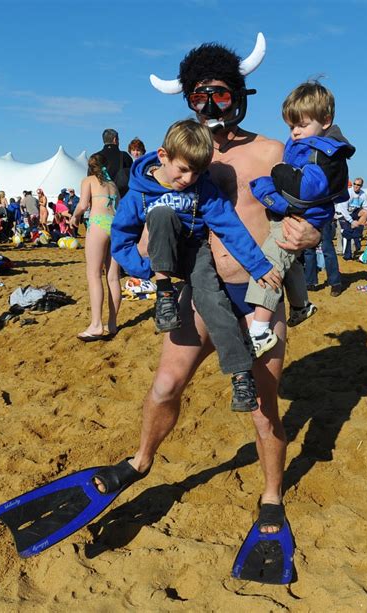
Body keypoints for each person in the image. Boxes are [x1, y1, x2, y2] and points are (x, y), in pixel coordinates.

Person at [92, 39, 320, 535]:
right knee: (166, 384)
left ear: (237, 93)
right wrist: (147, 251)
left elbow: (309, 214)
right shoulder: (183, 155)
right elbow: (144, 216)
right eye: (199, 96)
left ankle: (271, 494)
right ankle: (141, 460)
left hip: (259, 294)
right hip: (200, 289)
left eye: (218, 94)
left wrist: (312, 232)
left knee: (264, 407)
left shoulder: (271, 151)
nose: (209, 106)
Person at [112, 119, 281, 411]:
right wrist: (144, 269)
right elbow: (121, 238)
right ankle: (165, 295)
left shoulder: (202, 187)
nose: (189, 178)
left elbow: (229, 226)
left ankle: (240, 375)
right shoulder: (139, 192)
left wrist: (258, 266)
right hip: (162, 258)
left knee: (214, 303)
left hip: (196, 254)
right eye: (183, 169)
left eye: (197, 172)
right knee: (162, 214)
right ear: (163, 156)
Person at [246, 80, 354, 335]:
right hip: (297, 213)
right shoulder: (306, 144)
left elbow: (306, 189)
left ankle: (259, 328)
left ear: (325, 120)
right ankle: (300, 305)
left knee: (271, 262)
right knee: (291, 263)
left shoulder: (325, 153)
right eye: (292, 125)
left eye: (302, 125)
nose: (294, 132)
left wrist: (277, 176)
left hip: (303, 216)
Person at [70, 154, 121, 341]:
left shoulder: (88, 180)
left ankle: (97, 324)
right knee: (113, 278)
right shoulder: (113, 185)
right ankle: (113, 323)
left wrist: (74, 216)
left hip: (98, 224)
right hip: (115, 226)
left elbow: (83, 205)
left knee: (93, 274)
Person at [94, 129, 133, 197]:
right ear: (115, 140)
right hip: (121, 198)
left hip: (100, 198)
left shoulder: (95, 157)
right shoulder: (124, 156)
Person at [337, 177, 367, 260]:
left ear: (361, 186)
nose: (356, 186)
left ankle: (356, 236)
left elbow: (366, 207)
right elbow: (343, 209)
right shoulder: (348, 192)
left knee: (365, 212)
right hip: (343, 214)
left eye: (358, 185)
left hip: (354, 213)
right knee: (346, 232)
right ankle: (347, 252)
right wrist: (351, 221)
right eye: (355, 184)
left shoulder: (363, 195)